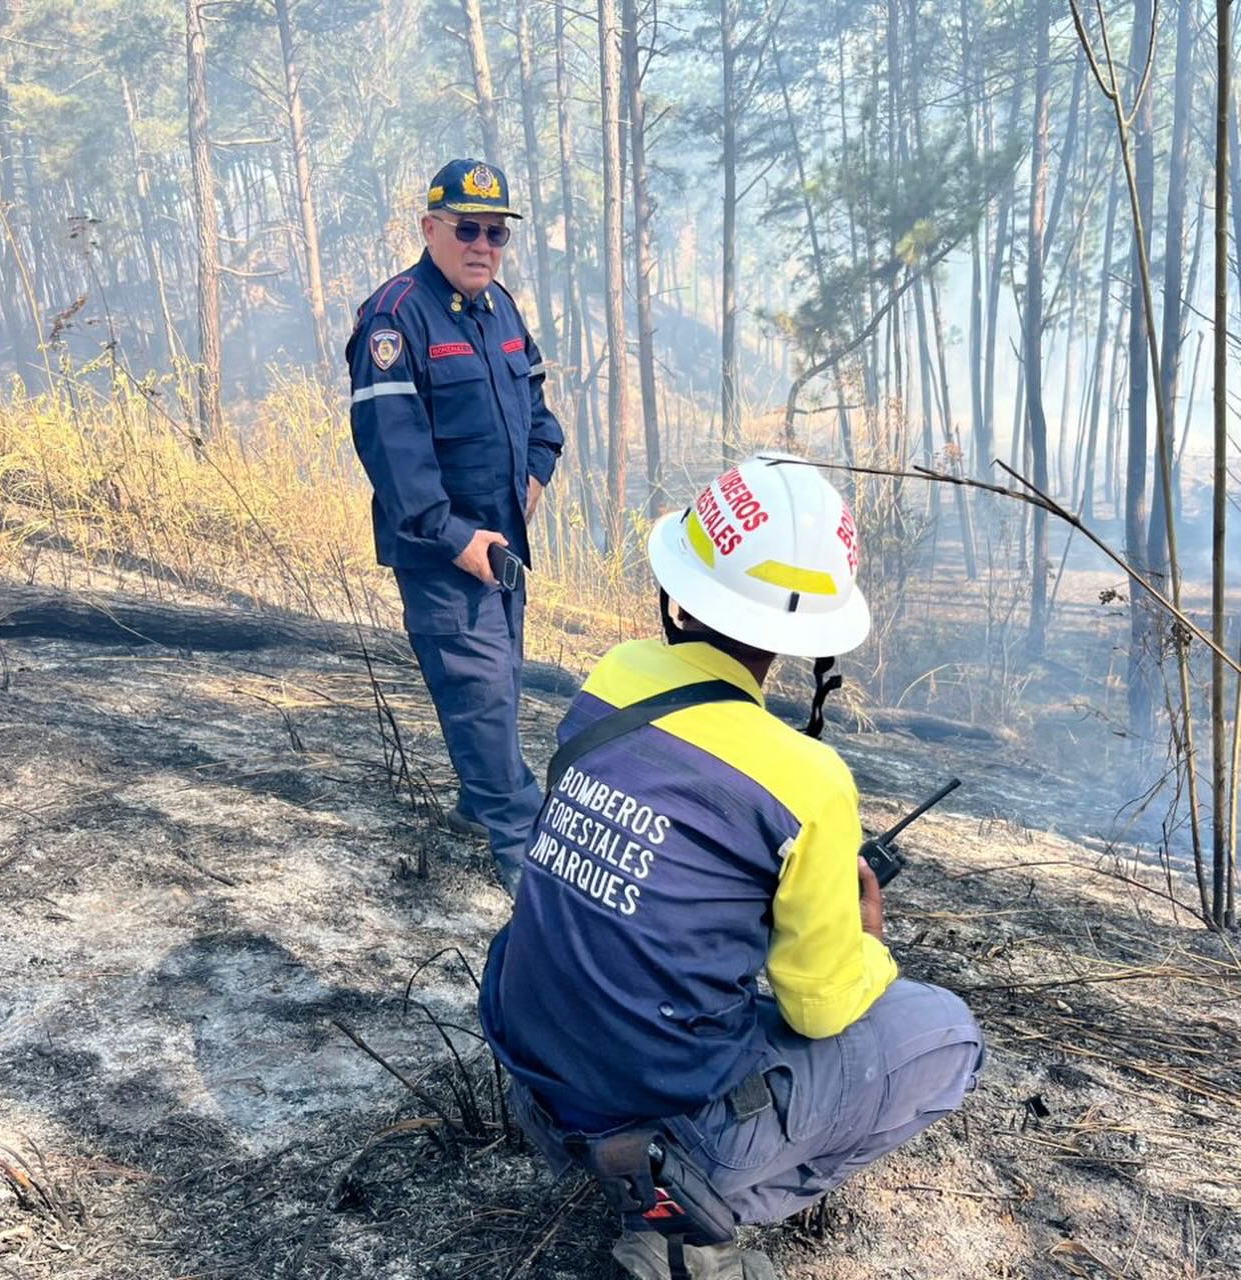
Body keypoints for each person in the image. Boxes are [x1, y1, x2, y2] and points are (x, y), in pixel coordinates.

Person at [479, 453, 983, 1279]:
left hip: (533, 1084)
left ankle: (654, 1180)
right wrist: (867, 940)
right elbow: (819, 1008)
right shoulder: (810, 782)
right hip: (648, 1122)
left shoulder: (612, 681)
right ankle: (695, 1226)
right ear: (813, 639)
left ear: (682, 586)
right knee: (948, 1037)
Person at [347, 159, 564, 895]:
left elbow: (540, 414)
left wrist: (536, 475)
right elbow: (392, 447)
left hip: (504, 546)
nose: (483, 245)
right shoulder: (395, 315)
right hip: (445, 554)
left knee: (498, 681)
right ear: (430, 229)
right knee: (481, 694)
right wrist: (454, 537)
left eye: (496, 232)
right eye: (467, 228)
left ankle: (477, 804)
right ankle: (524, 851)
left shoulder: (500, 307)